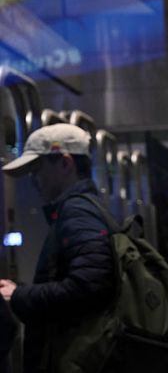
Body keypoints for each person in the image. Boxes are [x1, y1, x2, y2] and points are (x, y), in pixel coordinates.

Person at [0, 124, 115, 373]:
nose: (34, 180)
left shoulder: (77, 212)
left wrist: (19, 296)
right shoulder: (86, 208)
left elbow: (89, 286)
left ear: (65, 163)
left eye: (37, 170)